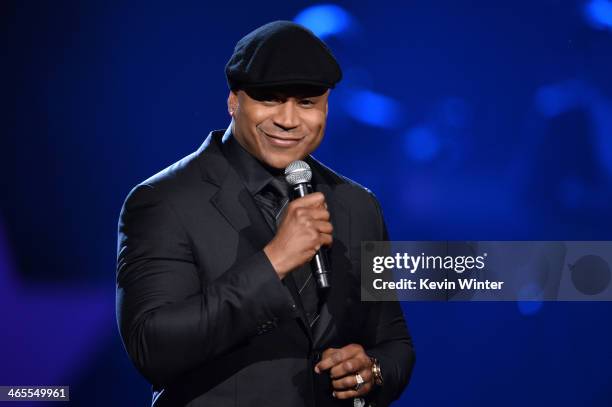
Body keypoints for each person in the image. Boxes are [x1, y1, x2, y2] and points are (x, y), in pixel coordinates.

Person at [116, 20, 415, 407]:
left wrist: (370, 371)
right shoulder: (162, 200)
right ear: (233, 101)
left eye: (307, 102)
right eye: (270, 99)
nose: (289, 120)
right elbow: (151, 349)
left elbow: (395, 342)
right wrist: (274, 261)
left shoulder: (357, 204)